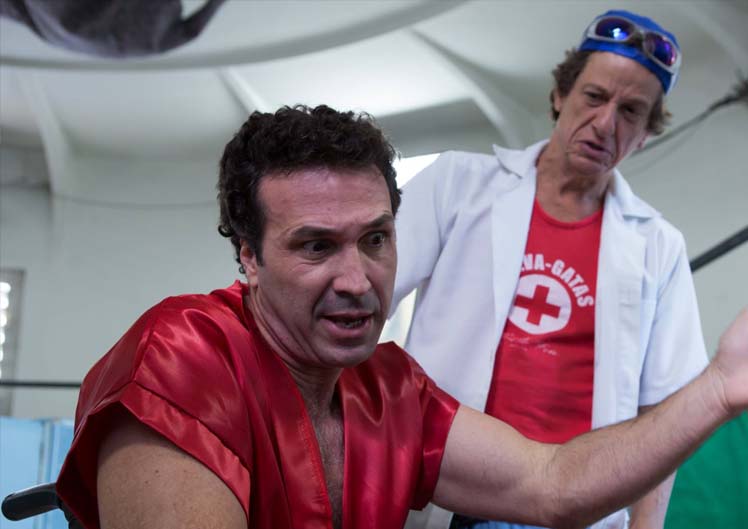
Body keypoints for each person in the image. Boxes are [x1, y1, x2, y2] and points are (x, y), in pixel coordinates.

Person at [54, 105, 748, 529]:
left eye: (375, 239)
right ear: (249, 257)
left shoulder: (389, 388)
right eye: (315, 246)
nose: (357, 280)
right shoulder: (183, 354)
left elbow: (554, 483)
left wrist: (721, 386)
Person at [391, 10, 707, 529]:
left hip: (582, 509)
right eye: (594, 97)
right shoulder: (457, 185)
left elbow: (663, 413)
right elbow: (360, 299)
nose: (605, 123)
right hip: (449, 490)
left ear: (646, 135)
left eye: (630, 111)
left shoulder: (659, 246)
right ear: (560, 94)